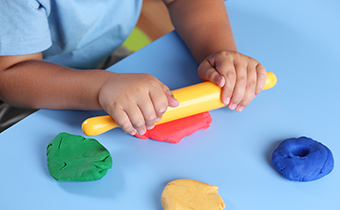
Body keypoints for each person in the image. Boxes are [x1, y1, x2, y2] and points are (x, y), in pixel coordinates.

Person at [0, 0, 266, 136]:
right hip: (24, 82)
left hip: (102, 59)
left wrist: (219, 53)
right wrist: (101, 86)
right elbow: (11, 74)